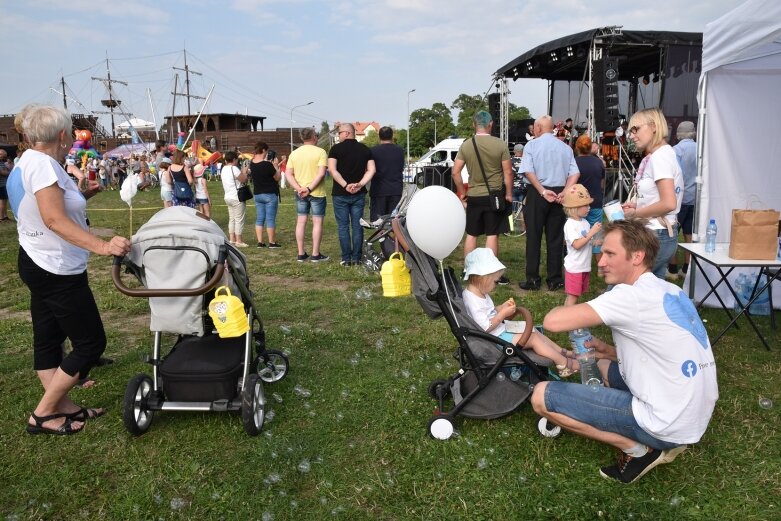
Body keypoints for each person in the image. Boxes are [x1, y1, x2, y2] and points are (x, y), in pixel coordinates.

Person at [531, 218, 718, 484]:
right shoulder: (670, 290)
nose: (600, 262)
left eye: (609, 254)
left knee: (540, 396)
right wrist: (607, 350)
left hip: (666, 424)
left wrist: (569, 299)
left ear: (637, 256)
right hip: (692, 415)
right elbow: (662, 352)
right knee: (603, 366)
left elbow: (553, 321)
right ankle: (654, 438)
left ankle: (639, 451)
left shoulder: (628, 296)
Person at [7, 104, 131, 435]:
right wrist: (103, 246)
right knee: (91, 343)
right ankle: (44, 413)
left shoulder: (26, 163)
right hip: (56, 268)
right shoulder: (45, 166)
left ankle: (60, 405)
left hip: (36, 260)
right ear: (64, 135)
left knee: (48, 338)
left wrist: (84, 196)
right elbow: (54, 219)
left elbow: (45, 211)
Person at [462, 248, 578, 377]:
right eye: (495, 281)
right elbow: (484, 327)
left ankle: (561, 352)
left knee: (532, 330)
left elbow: (488, 312)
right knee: (532, 338)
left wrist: (500, 308)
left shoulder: (479, 293)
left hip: (500, 332)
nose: (497, 284)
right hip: (495, 340)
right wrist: (502, 315)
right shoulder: (473, 300)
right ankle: (563, 364)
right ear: (483, 278)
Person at [519, 115, 580, 291]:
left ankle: (533, 279)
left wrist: (543, 191)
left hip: (538, 193)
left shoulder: (531, 145)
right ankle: (554, 279)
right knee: (556, 238)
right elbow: (574, 174)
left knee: (533, 237)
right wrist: (565, 192)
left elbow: (528, 171)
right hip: (559, 193)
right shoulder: (565, 147)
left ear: (538, 128)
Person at [621, 108, 683, 279]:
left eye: (636, 129)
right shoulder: (664, 154)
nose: (632, 136)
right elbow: (664, 198)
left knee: (622, 287)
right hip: (660, 234)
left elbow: (669, 203)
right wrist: (639, 204)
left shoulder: (659, 157)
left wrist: (636, 213)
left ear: (654, 126)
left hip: (656, 235)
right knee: (650, 293)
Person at [451, 110, 513, 282]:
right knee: (492, 234)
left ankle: (468, 270)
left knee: (472, 234)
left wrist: (463, 193)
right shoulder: (500, 144)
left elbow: (455, 172)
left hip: (474, 196)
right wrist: (508, 193)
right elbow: (508, 172)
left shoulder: (466, 145)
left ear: (474, 125)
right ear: (491, 124)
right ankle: (492, 274)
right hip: (494, 196)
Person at [327, 123, 375, 266]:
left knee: (343, 226)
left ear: (347, 133)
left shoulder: (335, 149)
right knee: (357, 226)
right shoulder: (365, 149)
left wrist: (345, 185)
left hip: (340, 193)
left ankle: (346, 258)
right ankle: (357, 258)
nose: (339, 135)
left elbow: (332, 170)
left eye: (340, 133)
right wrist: (360, 184)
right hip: (359, 193)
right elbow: (371, 170)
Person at [286, 128, 329, 262]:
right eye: (316, 135)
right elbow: (321, 173)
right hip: (316, 192)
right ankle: (315, 254)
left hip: (300, 193)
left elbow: (288, 174)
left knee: (301, 222)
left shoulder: (294, 153)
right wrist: (309, 189)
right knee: (317, 222)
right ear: (313, 137)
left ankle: (301, 253)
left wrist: (299, 188)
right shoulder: (321, 152)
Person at [561, 184, 602, 306]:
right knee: (572, 297)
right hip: (575, 268)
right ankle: (567, 322)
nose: (589, 208)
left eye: (589, 204)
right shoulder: (570, 224)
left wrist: (597, 241)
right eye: (585, 205)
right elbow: (577, 245)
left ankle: (568, 319)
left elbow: (587, 241)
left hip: (584, 266)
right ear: (574, 207)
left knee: (576, 296)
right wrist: (591, 233)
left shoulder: (585, 222)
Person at [667, 121, 697, 278]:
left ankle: (672, 269)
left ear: (679, 133)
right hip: (695, 198)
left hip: (679, 199)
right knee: (689, 235)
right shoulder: (701, 149)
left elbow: (673, 175)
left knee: (671, 235)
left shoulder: (676, 150)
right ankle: (687, 268)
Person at [574, 135, 606, 265]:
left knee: (576, 231)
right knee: (597, 232)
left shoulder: (574, 162)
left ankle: (576, 262)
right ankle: (600, 265)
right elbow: (602, 182)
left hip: (578, 203)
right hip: (596, 201)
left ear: (577, 147)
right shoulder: (598, 162)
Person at [248, 141, 281, 248]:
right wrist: (276, 166)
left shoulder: (252, 163)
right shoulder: (267, 164)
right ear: (263, 150)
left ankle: (260, 242)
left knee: (260, 218)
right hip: (270, 194)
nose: (267, 153)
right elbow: (277, 177)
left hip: (258, 194)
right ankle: (272, 242)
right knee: (270, 219)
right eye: (266, 151)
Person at [369, 126, 404, 221]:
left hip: (379, 190)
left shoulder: (373, 151)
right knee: (394, 221)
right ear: (392, 136)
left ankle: (381, 236)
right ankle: (392, 236)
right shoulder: (400, 151)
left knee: (378, 221)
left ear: (379, 137)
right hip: (396, 190)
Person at [221, 150, 249, 247]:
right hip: (236, 197)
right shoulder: (234, 168)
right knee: (239, 219)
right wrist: (244, 172)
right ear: (234, 159)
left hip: (228, 196)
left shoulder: (223, 169)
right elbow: (244, 179)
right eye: (237, 159)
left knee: (232, 219)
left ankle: (232, 239)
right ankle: (239, 241)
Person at [1, 149, 15, 221]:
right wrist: (11, 173)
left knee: (4, 201)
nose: (4, 158)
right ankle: (1, 217)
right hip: (0, 185)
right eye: (3, 156)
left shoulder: (2, 162)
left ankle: (5, 216)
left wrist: (7, 172)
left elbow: (5, 170)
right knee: (2, 201)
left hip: (4, 184)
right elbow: (3, 172)